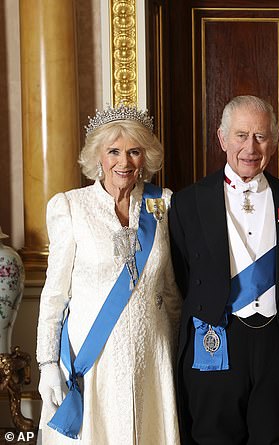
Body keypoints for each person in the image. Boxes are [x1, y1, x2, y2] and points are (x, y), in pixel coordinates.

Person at [169, 95, 279, 445]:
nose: (251, 147)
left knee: (277, 435)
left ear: (275, 143)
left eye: (261, 136)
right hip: (216, 338)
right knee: (213, 436)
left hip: (277, 343)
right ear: (222, 139)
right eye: (241, 135)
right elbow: (181, 275)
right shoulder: (188, 202)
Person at [36, 104, 181, 444]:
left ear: (146, 156)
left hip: (152, 356)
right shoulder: (70, 206)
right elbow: (55, 295)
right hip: (93, 359)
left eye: (134, 151)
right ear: (97, 157)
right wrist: (46, 364)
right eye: (113, 151)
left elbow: (171, 289)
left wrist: (176, 355)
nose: (124, 162)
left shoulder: (164, 205)